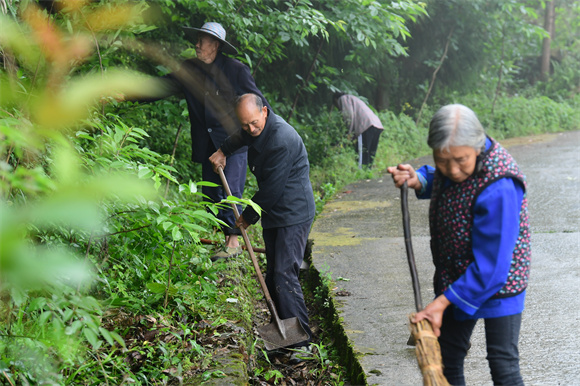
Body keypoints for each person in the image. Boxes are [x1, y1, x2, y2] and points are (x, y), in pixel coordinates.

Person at [387, 104, 530, 386]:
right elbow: (441, 176)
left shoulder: (500, 186)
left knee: (503, 364)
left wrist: (441, 303)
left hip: (500, 283)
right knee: (447, 358)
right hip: (457, 275)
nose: (452, 170)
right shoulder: (453, 161)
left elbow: (492, 269)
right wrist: (419, 179)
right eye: (443, 161)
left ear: (478, 146)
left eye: (462, 160)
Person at [124, 22, 270, 261]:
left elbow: (259, 105)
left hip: (233, 143)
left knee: (230, 191)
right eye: (198, 39)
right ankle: (225, 239)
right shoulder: (189, 68)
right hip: (207, 143)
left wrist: (264, 137)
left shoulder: (236, 70)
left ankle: (233, 243)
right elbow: (163, 86)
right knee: (210, 194)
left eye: (202, 40)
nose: (197, 44)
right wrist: (129, 93)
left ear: (216, 45)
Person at [209, 93, 315, 348]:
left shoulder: (281, 140)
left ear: (265, 112)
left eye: (254, 122)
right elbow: (240, 137)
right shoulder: (252, 128)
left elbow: (270, 191)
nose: (250, 129)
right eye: (245, 124)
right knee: (273, 276)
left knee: (284, 274)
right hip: (275, 213)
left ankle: (303, 345)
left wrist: (246, 218)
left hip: (294, 212)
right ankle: (283, 329)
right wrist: (223, 150)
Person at [332, 92, 384, 168]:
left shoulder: (343, 99)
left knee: (362, 153)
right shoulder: (353, 98)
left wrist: (348, 134)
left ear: (335, 100)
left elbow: (349, 117)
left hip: (365, 125)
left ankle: (361, 172)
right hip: (377, 124)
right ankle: (367, 173)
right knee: (370, 153)